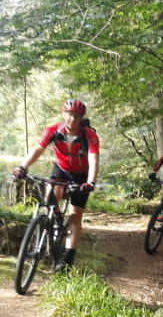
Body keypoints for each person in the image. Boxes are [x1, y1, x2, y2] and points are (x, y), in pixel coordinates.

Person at [12, 98, 99, 271]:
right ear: (63, 114)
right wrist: (23, 166)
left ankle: (68, 257)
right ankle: (54, 218)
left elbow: (94, 158)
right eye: (69, 114)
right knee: (50, 193)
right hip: (62, 169)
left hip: (82, 174)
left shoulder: (89, 135)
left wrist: (91, 182)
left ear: (82, 118)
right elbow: (38, 149)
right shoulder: (53, 130)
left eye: (76, 116)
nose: (72, 119)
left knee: (76, 213)